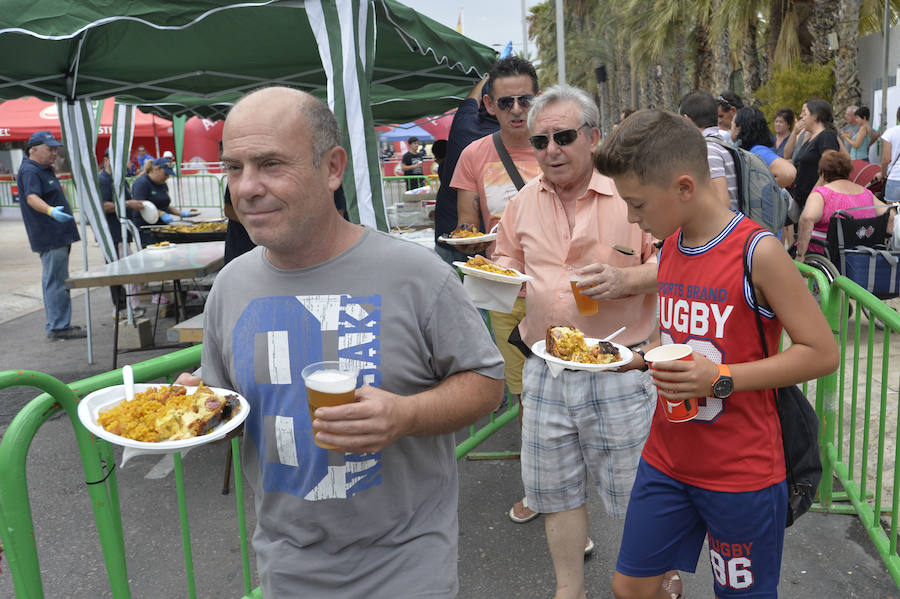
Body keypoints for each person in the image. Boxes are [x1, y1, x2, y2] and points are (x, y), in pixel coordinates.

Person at [175, 86, 504, 598]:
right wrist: (189, 413)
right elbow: (227, 415)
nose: (247, 187)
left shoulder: (417, 274)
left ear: (333, 168)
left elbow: (487, 382)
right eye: (234, 167)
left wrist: (406, 416)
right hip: (285, 565)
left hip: (407, 562)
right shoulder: (231, 285)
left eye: (270, 164)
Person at [595, 108, 839, 599]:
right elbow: (689, 340)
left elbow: (821, 353)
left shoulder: (759, 252)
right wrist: (641, 357)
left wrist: (722, 377)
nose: (630, 217)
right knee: (630, 587)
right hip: (666, 457)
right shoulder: (671, 247)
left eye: (637, 203)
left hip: (741, 471)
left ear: (685, 187)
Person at [492, 85, 658, 599]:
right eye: (540, 141)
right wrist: (497, 276)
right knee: (554, 490)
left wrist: (631, 280)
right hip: (546, 366)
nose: (551, 150)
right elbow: (505, 261)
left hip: (619, 367)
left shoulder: (633, 194)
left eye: (563, 137)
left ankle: (654, 577)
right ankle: (570, 591)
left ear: (594, 137)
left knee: (637, 495)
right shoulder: (522, 202)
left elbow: (679, 260)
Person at [451, 55, 543, 524]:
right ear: (489, 104)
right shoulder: (475, 155)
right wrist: (483, 242)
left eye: (525, 99)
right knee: (529, 395)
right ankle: (540, 489)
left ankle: (569, 485)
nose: (516, 109)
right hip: (508, 292)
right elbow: (466, 227)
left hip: (562, 290)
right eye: (505, 101)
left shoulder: (560, 146)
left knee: (570, 389)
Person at [16, 130, 85, 340]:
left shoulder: (42, 168)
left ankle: (59, 323)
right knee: (56, 280)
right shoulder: (31, 170)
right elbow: (31, 198)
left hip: (58, 234)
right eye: (50, 149)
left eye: (56, 148)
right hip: (50, 235)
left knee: (56, 279)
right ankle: (58, 326)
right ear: (34, 149)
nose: (54, 153)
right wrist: (50, 211)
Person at [432, 75, 499, 265]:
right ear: (490, 103)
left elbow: (470, 99)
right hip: (486, 243)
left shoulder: (463, 124)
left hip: (449, 236)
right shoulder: (514, 139)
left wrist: (487, 76)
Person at [796, 149, 883, 258]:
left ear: (822, 173)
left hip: (827, 252)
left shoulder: (822, 194)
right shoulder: (867, 193)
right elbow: (890, 216)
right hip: (862, 253)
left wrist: (800, 254)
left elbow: (807, 218)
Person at [99, 149, 145, 317]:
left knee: (127, 269)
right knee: (118, 271)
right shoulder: (103, 180)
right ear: (106, 160)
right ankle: (121, 308)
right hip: (112, 233)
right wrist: (128, 204)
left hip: (123, 232)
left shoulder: (120, 179)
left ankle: (129, 306)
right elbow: (103, 206)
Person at [679, 91, 738, 210]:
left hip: (723, 227)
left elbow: (723, 203)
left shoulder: (709, 150)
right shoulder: (719, 143)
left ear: (687, 120)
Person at [789, 98, 842, 211]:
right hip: (802, 199)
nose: (802, 116)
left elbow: (829, 170)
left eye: (806, 113)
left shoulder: (827, 136)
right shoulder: (810, 138)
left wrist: (814, 195)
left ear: (815, 116)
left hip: (815, 202)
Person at [131, 157, 194, 244]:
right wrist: (161, 213)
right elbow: (140, 205)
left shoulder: (162, 184)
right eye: (165, 174)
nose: (167, 177)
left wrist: (181, 213)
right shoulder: (141, 183)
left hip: (161, 227)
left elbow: (164, 205)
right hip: (147, 229)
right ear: (156, 169)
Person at [731, 106, 797, 188]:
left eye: (732, 125)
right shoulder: (748, 151)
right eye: (776, 121)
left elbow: (788, 173)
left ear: (739, 129)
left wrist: (760, 190)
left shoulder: (757, 151)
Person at [880, 106, 900, 203]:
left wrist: (883, 175)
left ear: (897, 116)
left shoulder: (890, 132)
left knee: (892, 213)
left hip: (895, 178)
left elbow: (886, 159)